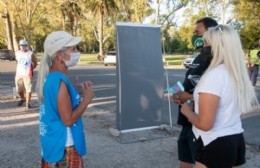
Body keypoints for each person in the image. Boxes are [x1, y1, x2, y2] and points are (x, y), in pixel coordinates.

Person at [180, 25, 258, 168]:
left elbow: (205, 124)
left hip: (213, 143)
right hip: (235, 139)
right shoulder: (236, 73)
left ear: (218, 46)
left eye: (206, 43)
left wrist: (188, 112)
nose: (203, 48)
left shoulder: (214, 76)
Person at [36, 31, 95, 167]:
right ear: (60, 55)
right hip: (65, 149)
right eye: (72, 49)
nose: (76, 53)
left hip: (53, 145)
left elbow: (57, 103)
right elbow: (68, 120)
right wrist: (86, 100)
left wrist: (75, 92)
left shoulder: (49, 77)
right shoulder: (60, 81)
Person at [172, 17, 218, 168]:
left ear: (210, 32)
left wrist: (190, 97)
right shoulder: (200, 55)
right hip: (187, 118)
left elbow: (216, 92)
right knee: (185, 156)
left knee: (200, 159)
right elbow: (191, 80)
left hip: (200, 119)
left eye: (198, 32)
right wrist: (178, 93)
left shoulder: (217, 58)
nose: (194, 35)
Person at [15, 39, 38, 108]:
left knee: (28, 89)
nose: (23, 47)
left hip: (27, 74)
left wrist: (32, 69)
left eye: (24, 45)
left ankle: (28, 103)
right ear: (19, 46)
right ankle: (22, 98)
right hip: (19, 74)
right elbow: (17, 61)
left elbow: (35, 62)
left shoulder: (30, 54)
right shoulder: (17, 53)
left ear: (26, 46)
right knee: (18, 89)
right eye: (21, 46)